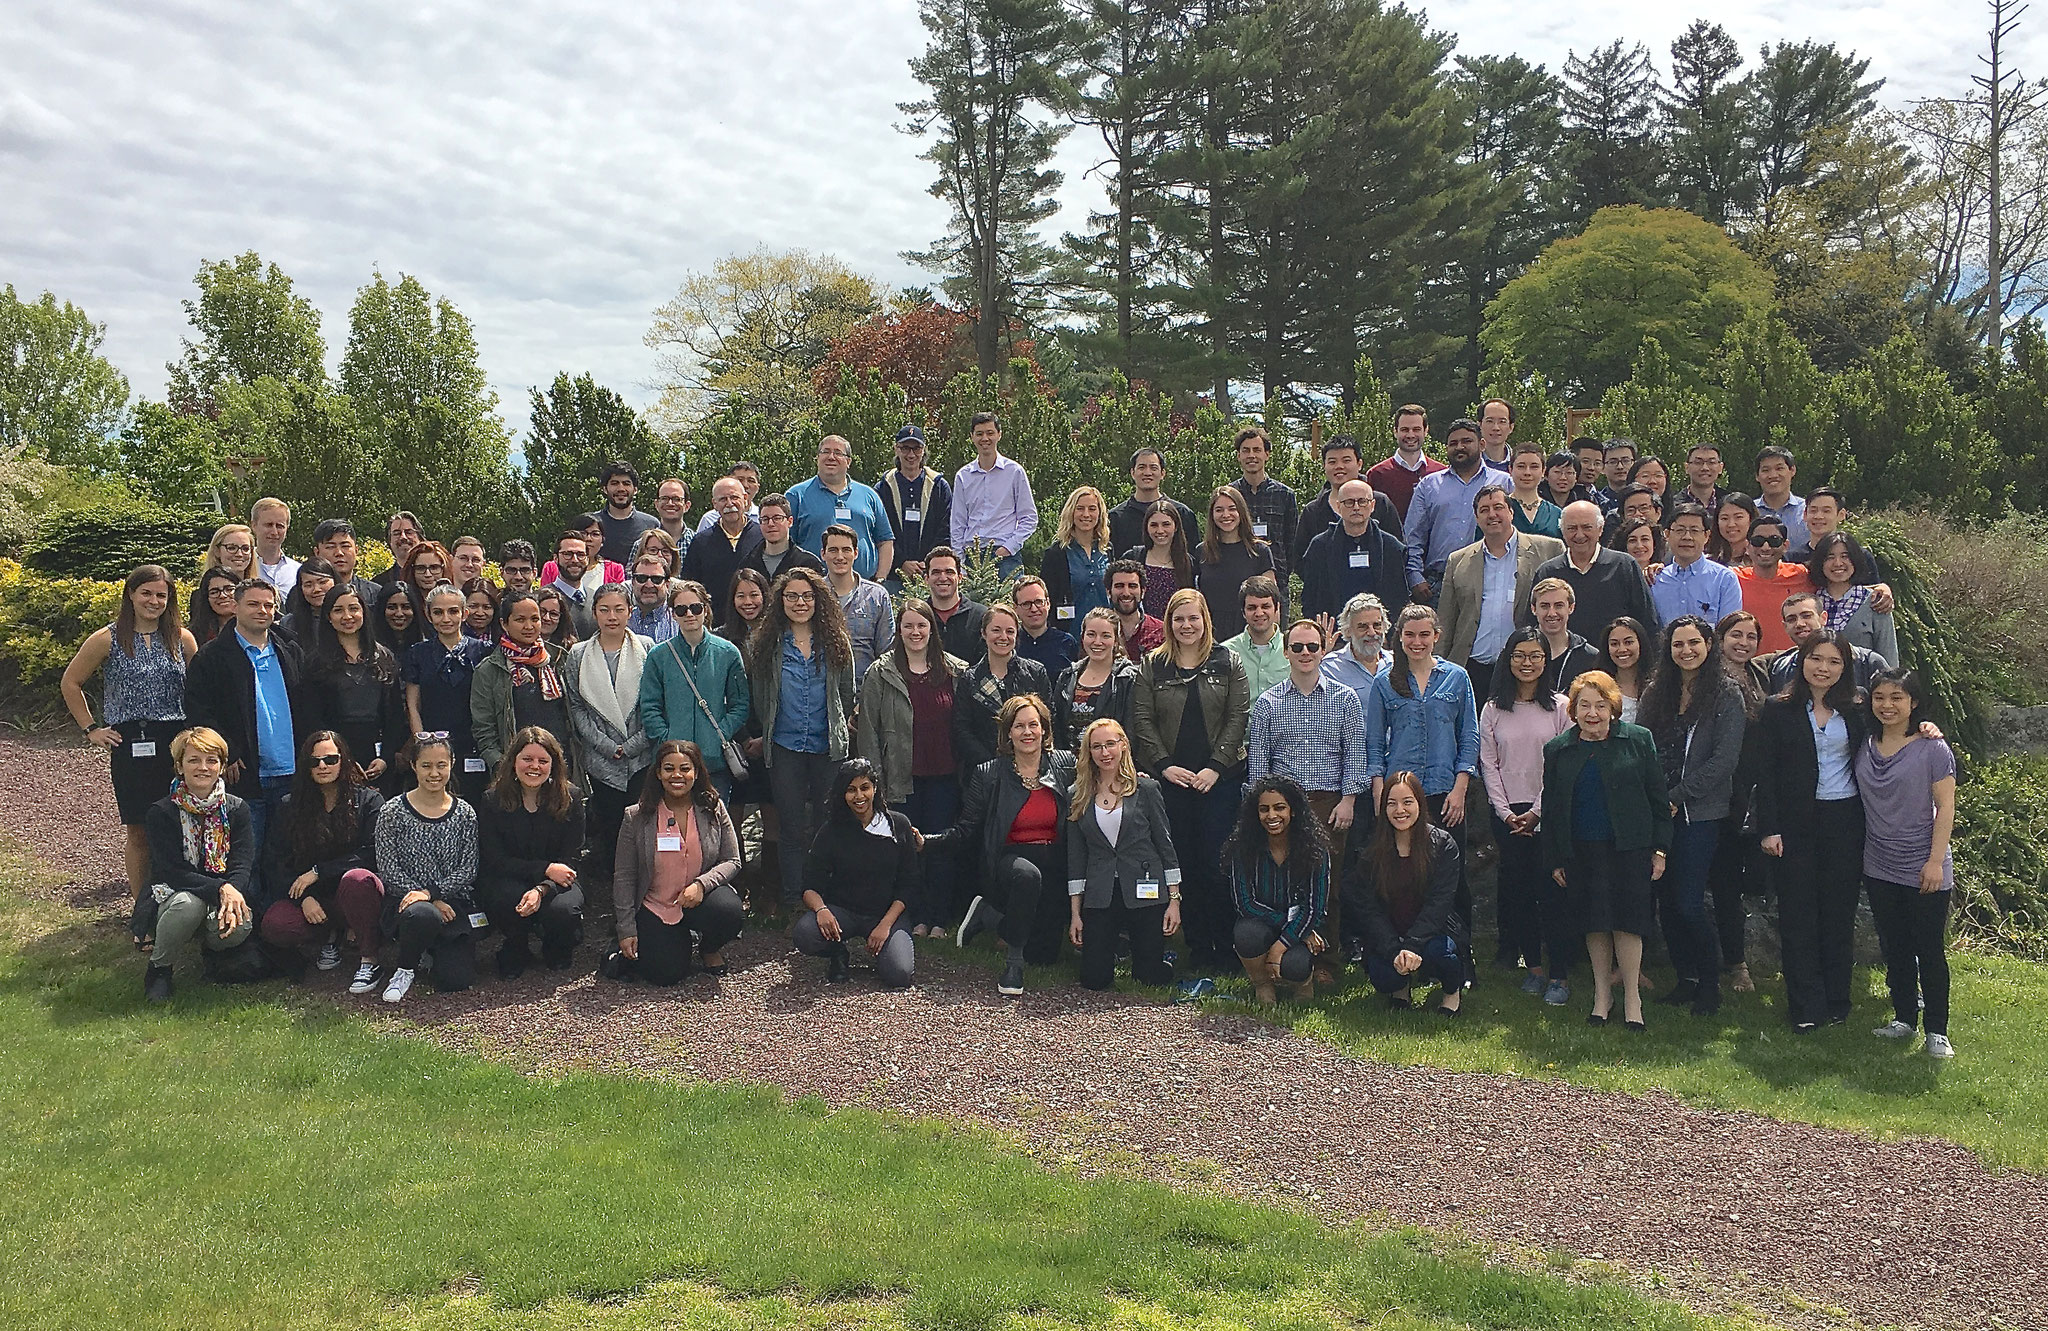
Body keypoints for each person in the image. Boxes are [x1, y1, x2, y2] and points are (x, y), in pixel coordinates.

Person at [1541, 671, 1671, 1030]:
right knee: (1594, 923)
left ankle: (1632, 997)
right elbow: (1551, 809)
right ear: (1574, 710)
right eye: (1585, 705)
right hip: (1581, 852)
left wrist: (1660, 849)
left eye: (1600, 705)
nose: (1593, 713)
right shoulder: (1558, 750)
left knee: (1628, 923)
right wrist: (1554, 859)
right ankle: (1602, 996)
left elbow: (1658, 799)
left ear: (1613, 708)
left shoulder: (1638, 740)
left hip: (1630, 849)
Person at [1129, 588, 1250, 973]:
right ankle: (1198, 948)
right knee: (1185, 865)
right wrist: (1163, 765)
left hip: (1220, 781)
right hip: (1173, 782)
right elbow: (1142, 719)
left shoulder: (1228, 661)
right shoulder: (1153, 665)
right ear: (1169, 623)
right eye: (1179, 619)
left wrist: (1216, 766)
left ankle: (1228, 949)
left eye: (1193, 618)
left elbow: (1238, 717)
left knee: (1218, 865)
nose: (1186, 626)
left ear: (1205, 620)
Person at [64, 565, 197, 906]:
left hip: (176, 742)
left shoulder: (181, 638)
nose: (154, 601)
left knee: (182, 823)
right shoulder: (107, 638)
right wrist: (91, 729)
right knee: (139, 829)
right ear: (131, 595)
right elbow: (71, 682)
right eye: (146, 593)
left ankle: (183, 900)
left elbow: (199, 687)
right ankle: (143, 910)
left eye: (161, 595)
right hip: (130, 741)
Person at [1755, 632, 1868, 1031]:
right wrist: (1769, 829)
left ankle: (1838, 1000)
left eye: (1834, 662)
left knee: (1838, 914)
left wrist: (1926, 728)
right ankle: (1805, 1006)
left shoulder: (1859, 709)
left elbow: (1896, 733)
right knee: (1797, 916)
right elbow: (1764, 774)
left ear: (1845, 668)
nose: (1824, 668)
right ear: (1801, 662)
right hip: (1795, 824)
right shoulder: (1777, 709)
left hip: (1845, 821)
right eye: (1816, 659)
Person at [1636, 615, 1747, 1016]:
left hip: (1700, 813)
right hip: (1658, 811)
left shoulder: (1726, 695)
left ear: (1708, 645)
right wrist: (1655, 798)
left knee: (1688, 902)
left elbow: (1724, 761)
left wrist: (1678, 796)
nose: (1686, 651)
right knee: (1666, 901)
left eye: (1694, 643)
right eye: (1678, 644)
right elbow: (1642, 747)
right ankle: (1687, 979)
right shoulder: (1655, 692)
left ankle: (1710, 983)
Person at [1246, 619, 1366, 977]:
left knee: (1327, 887)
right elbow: (1258, 764)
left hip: (1329, 804)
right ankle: (1279, 959)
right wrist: (1261, 810)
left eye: (1312, 647)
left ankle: (1325, 963)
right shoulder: (1268, 704)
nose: (1305, 654)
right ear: (1286, 652)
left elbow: (1355, 755)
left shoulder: (1346, 699)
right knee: (1283, 884)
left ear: (1322, 650)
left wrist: (1348, 801)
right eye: (1297, 647)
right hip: (1281, 807)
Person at [1365, 604, 1480, 971]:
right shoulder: (1385, 682)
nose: (1417, 642)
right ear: (1399, 637)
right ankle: (1400, 954)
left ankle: (1461, 958)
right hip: (1401, 798)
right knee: (1400, 876)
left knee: (1452, 878)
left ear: (1436, 636)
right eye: (1409, 634)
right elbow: (1373, 744)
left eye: (1424, 634)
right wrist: (1379, 792)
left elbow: (1469, 736)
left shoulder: (1457, 678)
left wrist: (1461, 787)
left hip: (1446, 793)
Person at [939, 694, 1077, 995]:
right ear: (1008, 733)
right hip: (1011, 861)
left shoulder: (1066, 765)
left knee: (1043, 956)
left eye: (1033, 725)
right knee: (1028, 877)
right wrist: (930, 842)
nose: (1027, 732)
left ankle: (989, 916)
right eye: (1019, 726)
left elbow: (1099, 781)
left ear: (1044, 730)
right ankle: (1013, 965)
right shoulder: (989, 773)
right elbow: (966, 829)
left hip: (1053, 861)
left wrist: (1133, 780)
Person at [1859, 669, 1958, 1059]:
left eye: (1897, 698)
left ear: (1913, 702)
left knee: (1929, 949)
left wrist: (1935, 862)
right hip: (1879, 863)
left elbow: (1946, 806)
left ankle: (1937, 1030)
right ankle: (1903, 1017)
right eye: (1880, 696)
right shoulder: (1864, 743)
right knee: (1895, 946)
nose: (1887, 705)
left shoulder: (1934, 749)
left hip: (1924, 864)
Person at [857, 599, 969, 936]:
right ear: (899, 630)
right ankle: (914, 916)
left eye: (922, 625)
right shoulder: (881, 672)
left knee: (940, 849)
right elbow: (869, 731)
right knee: (907, 852)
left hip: (946, 777)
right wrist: (873, 782)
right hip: (900, 778)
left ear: (932, 629)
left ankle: (939, 917)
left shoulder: (956, 672)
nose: (915, 632)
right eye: (908, 625)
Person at [750, 567, 857, 909]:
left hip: (828, 747)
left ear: (818, 600)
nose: (800, 602)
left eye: (807, 596)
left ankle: (827, 894)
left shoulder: (836, 641)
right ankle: (794, 897)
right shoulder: (767, 646)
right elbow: (760, 696)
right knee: (792, 827)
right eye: (792, 596)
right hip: (785, 748)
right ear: (781, 601)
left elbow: (846, 692)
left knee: (828, 825)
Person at [1479, 628, 1574, 998]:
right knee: (1519, 893)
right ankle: (1533, 968)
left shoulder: (1561, 707)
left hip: (1548, 814)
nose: (1527, 663)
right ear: (1508, 658)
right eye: (1520, 655)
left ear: (1545, 660)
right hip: (1507, 816)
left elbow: (1562, 766)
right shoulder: (1492, 709)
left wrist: (1536, 812)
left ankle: (1560, 975)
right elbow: (1489, 763)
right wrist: (1505, 813)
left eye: (1535, 656)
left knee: (1553, 894)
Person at [259, 731, 386, 993]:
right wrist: (302, 898)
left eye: (330, 759)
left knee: (358, 879)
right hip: (313, 900)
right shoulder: (289, 806)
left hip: (354, 893)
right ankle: (330, 937)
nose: (322, 766)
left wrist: (319, 872)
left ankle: (369, 958)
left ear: (344, 760)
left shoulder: (370, 800)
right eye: (314, 761)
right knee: (276, 924)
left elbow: (373, 853)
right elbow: (275, 861)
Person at [181, 578, 301, 854]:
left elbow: (308, 706)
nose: (263, 610)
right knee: (247, 853)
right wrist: (228, 751)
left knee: (286, 853)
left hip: (291, 770)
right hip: (244, 772)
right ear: (235, 607)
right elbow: (199, 711)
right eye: (253, 604)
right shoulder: (211, 657)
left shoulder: (291, 650)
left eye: (269, 605)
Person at [609, 740, 745, 984]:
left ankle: (708, 948)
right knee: (666, 975)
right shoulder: (636, 817)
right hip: (655, 904)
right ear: (658, 773)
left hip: (699, 900)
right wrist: (626, 929)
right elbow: (624, 876)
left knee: (730, 911)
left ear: (696, 772)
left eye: (685, 768)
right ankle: (659, 939)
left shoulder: (713, 808)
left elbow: (732, 860)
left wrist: (702, 885)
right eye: (669, 768)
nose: (677, 775)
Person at [138, 726, 258, 1001]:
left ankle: (212, 955)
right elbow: (172, 872)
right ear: (179, 766)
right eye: (193, 760)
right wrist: (221, 889)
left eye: (211, 760)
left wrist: (232, 891)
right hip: (174, 894)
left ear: (222, 766)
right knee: (188, 905)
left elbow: (242, 863)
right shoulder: (162, 812)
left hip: (220, 893)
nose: (203, 768)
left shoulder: (237, 809)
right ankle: (159, 969)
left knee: (239, 925)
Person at [1065, 718, 1179, 991]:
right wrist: (1075, 914)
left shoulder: (1147, 790)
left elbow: (1165, 846)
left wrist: (1174, 901)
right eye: (1097, 747)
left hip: (1145, 888)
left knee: (1149, 978)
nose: (1105, 753)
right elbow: (1076, 858)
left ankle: (1161, 960)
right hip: (1101, 892)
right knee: (1094, 980)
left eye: (1110, 745)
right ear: (1088, 752)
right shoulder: (1077, 795)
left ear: (1123, 745)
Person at [1349, 769, 1468, 1013]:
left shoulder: (1444, 845)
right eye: (1391, 803)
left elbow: (1439, 903)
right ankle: (1400, 988)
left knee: (1442, 956)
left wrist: (1413, 946)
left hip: (1434, 931)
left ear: (1419, 804)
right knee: (1384, 977)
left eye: (1407, 802)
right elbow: (1368, 909)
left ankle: (1451, 992)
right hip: (1389, 933)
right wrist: (1394, 949)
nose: (1399, 810)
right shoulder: (1371, 852)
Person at [374, 734, 481, 1003]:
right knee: (423, 915)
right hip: (407, 905)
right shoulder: (391, 812)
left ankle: (431, 951)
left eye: (441, 765)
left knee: (457, 980)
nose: (434, 773)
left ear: (452, 764)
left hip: (452, 904)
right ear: (414, 766)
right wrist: (427, 898)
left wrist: (434, 894)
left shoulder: (465, 813)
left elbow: (468, 869)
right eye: (426, 766)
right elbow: (388, 870)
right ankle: (405, 968)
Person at [795, 758, 920, 987]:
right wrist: (821, 910)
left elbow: (909, 884)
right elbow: (809, 884)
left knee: (899, 974)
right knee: (805, 934)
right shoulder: (831, 830)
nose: (859, 796)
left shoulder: (898, 825)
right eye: (851, 790)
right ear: (842, 794)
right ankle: (837, 951)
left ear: (875, 788)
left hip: (886, 913)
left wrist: (884, 926)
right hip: (843, 912)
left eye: (865, 788)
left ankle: (885, 949)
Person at [1439, 484, 1564, 701]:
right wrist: (1439, 665)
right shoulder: (1457, 560)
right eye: (1484, 510)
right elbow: (1446, 619)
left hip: (1526, 668)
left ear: (1511, 512)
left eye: (1498, 507)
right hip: (1472, 667)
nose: (1492, 514)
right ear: (1476, 518)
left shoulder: (1549, 550)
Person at [477, 726, 585, 976]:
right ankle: (516, 945)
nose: (534, 766)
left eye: (542, 760)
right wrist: (543, 869)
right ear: (513, 761)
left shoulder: (572, 797)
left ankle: (557, 945)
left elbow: (573, 856)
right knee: (506, 898)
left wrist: (542, 887)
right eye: (527, 759)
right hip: (510, 877)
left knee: (564, 910)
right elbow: (494, 859)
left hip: (560, 879)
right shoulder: (492, 800)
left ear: (553, 765)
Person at [638, 577, 751, 804]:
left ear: (706, 609)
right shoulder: (658, 656)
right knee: (672, 830)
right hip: (672, 765)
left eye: (695, 607)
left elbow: (740, 704)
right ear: (672, 614)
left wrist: (720, 733)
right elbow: (649, 706)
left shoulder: (727, 653)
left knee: (713, 828)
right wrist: (667, 738)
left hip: (714, 762)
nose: (689, 614)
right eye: (681, 609)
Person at [564, 584, 652, 874]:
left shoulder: (647, 647)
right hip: (601, 759)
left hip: (641, 756)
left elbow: (654, 704)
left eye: (619, 609)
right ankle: (617, 882)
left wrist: (632, 745)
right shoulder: (578, 654)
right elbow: (576, 705)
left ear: (630, 611)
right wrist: (605, 745)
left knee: (643, 821)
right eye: (604, 609)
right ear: (594, 613)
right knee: (610, 822)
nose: (612, 616)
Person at [1226, 776, 1331, 1004]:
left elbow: (1314, 908)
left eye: (1279, 808)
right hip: (1261, 923)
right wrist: (1290, 928)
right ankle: (1262, 984)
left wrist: (1279, 947)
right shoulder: (1242, 847)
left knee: (1295, 966)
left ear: (1293, 811)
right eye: (1264, 809)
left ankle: (1303, 983)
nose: (1271, 816)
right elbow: (1244, 902)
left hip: (1300, 924)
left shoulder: (1315, 850)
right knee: (1246, 935)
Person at [1711, 610, 1769, 994]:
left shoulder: (1761, 676)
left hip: (1756, 795)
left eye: (1751, 636)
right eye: (1736, 634)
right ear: (1720, 638)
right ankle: (1736, 964)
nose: (1743, 642)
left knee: (1758, 880)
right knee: (1725, 885)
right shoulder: (1708, 681)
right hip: (1719, 797)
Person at [301, 586, 407, 793]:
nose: (347, 616)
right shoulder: (315, 662)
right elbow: (311, 718)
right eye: (338, 610)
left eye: (353, 608)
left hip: (377, 760)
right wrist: (343, 762)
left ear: (364, 613)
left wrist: (385, 758)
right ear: (328, 617)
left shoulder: (384, 657)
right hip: (333, 759)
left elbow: (395, 716)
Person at [404, 584, 494, 801]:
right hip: (432, 744)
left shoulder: (485, 651)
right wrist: (422, 745)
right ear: (428, 615)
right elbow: (413, 705)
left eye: (453, 611)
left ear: (465, 613)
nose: (446, 618)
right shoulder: (417, 653)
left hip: (474, 745)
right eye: (438, 612)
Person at [470, 590, 573, 779]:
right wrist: (503, 766)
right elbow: (484, 730)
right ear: (504, 624)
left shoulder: (559, 659)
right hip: (515, 771)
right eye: (520, 619)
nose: (529, 626)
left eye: (535, 619)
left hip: (560, 765)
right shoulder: (489, 670)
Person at [1405, 418, 1507, 605]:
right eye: (1453, 443)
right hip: (1437, 585)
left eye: (1467, 441)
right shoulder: (1429, 485)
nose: (1460, 447)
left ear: (1481, 444)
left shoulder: (1504, 482)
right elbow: (1413, 537)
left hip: (1490, 579)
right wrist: (1415, 577)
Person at [1531, 500, 1656, 639]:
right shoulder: (1548, 572)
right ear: (1562, 531)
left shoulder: (1623, 566)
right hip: (1563, 659)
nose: (1579, 535)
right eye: (1572, 528)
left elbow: (1647, 621)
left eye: (1586, 527)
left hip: (1616, 657)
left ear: (1600, 529)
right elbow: (1532, 625)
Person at [952, 603, 1055, 771]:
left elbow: (1048, 721)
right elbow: (961, 729)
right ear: (983, 633)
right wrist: (991, 764)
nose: (1003, 637)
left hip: (1032, 767)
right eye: (996, 630)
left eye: (1010, 631)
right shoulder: (969, 679)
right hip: (984, 772)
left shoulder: (1035, 673)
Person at [1298, 478, 1407, 622]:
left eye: (1362, 501)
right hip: (1333, 630)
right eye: (1349, 502)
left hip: (1379, 632)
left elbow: (1400, 596)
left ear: (1372, 505)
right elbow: (1310, 597)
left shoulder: (1391, 547)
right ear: (1338, 506)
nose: (1356, 507)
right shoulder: (1319, 546)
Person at [788, 436, 893, 580]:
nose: (831, 457)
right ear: (817, 458)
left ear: (848, 461)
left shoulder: (869, 495)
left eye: (838, 452)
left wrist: (880, 578)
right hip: (811, 589)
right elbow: (786, 543)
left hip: (864, 587)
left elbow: (885, 540)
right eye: (826, 452)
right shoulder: (796, 495)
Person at [951, 411, 1036, 578]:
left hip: (1005, 557)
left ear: (999, 435)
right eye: (979, 434)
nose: (985, 438)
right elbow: (957, 523)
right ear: (972, 437)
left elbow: (1030, 518)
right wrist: (959, 561)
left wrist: (1009, 547)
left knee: (1011, 604)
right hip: (971, 558)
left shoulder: (1014, 472)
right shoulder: (963, 476)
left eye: (990, 433)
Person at [1300, 433, 1403, 571]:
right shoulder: (1313, 511)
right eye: (1332, 462)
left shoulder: (1381, 503)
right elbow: (1302, 560)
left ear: (1359, 464)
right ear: (1324, 465)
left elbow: (1397, 551)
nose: (1339, 466)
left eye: (1346, 460)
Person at [681, 476, 764, 626]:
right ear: (714, 504)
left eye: (734, 497)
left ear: (745, 499)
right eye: (723, 499)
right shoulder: (701, 542)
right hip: (715, 626)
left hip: (759, 626)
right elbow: (691, 586)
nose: (729, 504)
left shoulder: (762, 537)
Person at [1195, 485, 1274, 641]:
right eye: (1219, 510)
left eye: (1232, 509)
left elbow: (1271, 600)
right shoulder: (1202, 551)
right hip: (1210, 633)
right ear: (1212, 515)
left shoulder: (1260, 551)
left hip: (1249, 632)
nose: (1226, 515)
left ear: (1241, 512)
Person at [1768, 592, 1891, 693]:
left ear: (1823, 618)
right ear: (1784, 626)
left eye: (1806, 616)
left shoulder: (1867, 663)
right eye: (1791, 619)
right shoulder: (1781, 669)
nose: (1800, 624)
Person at [1054, 607, 1139, 751]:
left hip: (1110, 765)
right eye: (1091, 634)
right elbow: (1057, 728)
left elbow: (1133, 731)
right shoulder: (1067, 677)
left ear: (1116, 640)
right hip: (1070, 766)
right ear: (1082, 637)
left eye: (1105, 636)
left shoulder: (1128, 679)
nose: (1097, 642)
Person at [876, 425, 952, 587]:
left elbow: (946, 529)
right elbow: (880, 532)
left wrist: (928, 562)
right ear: (896, 449)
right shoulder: (883, 487)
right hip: (893, 575)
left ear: (924, 450)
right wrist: (902, 563)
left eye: (916, 448)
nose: (911, 454)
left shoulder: (939, 486)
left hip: (931, 575)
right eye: (905, 448)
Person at [1811, 533, 1899, 666]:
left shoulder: (1876, 602)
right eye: (1830, 557)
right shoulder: (1811, 603)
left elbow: (1889, 658)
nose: (1838, 563)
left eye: (1845, 556)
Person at [1651, 504, 1743, 627]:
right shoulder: (1654, 580)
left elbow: (1728, 631)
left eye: (1694, 531)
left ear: (1706, 536)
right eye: (1680, 530)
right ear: (1667, 534)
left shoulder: (1724, 579)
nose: (1687, 537)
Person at [1232, 426, 1299, 596]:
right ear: (1239, 455)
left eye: (1257, 450)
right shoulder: (1230, 495)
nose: (1251, 455)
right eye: (1246, 450)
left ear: (1267, 454)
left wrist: (1282, 572)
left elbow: (1291, 542)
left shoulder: (1284, 494)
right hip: (1238, 580)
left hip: (1276, 584)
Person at [822, 524, 894, 676]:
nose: (840, 556)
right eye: (833, 550)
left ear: (855, 553)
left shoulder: (877, 596)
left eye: (846, 550)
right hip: (823, 689)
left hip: (867, 689)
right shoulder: (813, 595)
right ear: (823, 554)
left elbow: (887, 652)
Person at [1039, 485, 1113, 630]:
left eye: (1092, 509)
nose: (1086, 514)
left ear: (1100, 513)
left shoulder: (1107, 550)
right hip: (1069, 634)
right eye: (1080, 508)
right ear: (1071, 512)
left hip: (1105, 633)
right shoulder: (1056, 554)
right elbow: (1048, 601)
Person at [1735, 514, 1810, 654]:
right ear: (1748, 546)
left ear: (1785, 545)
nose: (1765, 547)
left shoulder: (1802, 575)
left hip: (1791, 663)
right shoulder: (1733, 579)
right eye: (1758, 541)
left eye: (1774, 541)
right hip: (1749, 663)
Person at [1108, 447, 1199, 553]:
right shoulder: (1115, 517)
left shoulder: (1182, 513)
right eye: (1142, 467)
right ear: (1132, 473)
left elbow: (1193, 559)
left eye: (1153, 468)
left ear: (1163, 473)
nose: (1147, 473)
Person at [1365, 405, 1445, 522]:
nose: (1411, 435)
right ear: (1395, 432)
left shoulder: (1441, 472)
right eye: (1405, 430)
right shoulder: (1377, 474)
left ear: (1426, 431)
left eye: (1416, 429)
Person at [1526, 577, 1601, 696]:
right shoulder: (1517, 653)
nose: (1552, 613)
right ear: (1533, 609)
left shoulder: (1590, 656)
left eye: (1558, 606)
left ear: (1571, 608)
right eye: (1545, 606)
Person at [1125, 498, 1195, 619]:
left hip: (1178, 632)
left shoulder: (1189, 563)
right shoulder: (1133, 558)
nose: (1160, 530)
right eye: (1154, 525)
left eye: (1166, 524)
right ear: (1146, 527)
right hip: (1141, 632)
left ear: (1176, 526)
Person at [918, 545, 988, 660]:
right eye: (936, 572)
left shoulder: (981, 616)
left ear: (960, 577)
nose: (943, 577)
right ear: (926, 579)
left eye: (949, 572)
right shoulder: (917, 617)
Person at [1222, 575, 1288, 697]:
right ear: (1243, 612)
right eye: (1252, 608)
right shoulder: (1226, 652)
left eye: (1265, 606)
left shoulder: (1294, 649)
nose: (1259, 613)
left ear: (1277, 608)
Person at [745, 492, 827, 584]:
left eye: (777, 518)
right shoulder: (748, 563)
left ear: (790, 521)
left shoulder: (808, 564)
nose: (771, 524)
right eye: (765, 519)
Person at [1319, 593, 1392, 695]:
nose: (1372, 633)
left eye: (1377, 625)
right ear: (1348, 630)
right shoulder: (1330, 667)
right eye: (1363, 626)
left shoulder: (1396, 663)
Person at [591, 460, 660, 566]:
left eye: (626, 483)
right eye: (614, 483)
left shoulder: (651, 525)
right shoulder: (591, 524)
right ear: (605, 489)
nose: (621, 488)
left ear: (635, 489)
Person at [310, 518, 381, 617]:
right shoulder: (307, 594)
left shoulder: (375, 594)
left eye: (345, 546)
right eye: (331, 547)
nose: (339, 553)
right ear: (317, 553)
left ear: (356, 551)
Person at [1012, 575, 1077, 677]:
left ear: (1048, 603)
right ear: (1015, 608)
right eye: (1026, 604)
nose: (1033, 609)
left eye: (1039, 602)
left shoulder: (1066, 643)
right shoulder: (1011, 644)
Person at [543, 531, 600, 640]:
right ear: (555, 558)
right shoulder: (541, 599)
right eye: (568, 554)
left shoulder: (596, 599)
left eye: (581, 555)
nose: (575, 560)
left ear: (588, 559)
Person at [193, 524, 256, 623]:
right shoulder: (199, 596)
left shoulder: (262, 591)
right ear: (217, 551)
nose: (239, 554)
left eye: (245, 549)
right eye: (231, 548)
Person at [1753, 445, 1808, 554]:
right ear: (1757, 476)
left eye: (1779, 468)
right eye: (1765, 470)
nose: (1773, 475)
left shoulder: (1808, 511)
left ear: (1792, 470)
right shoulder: (1749, 511)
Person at [1106, 559, 1165, 659]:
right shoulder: (1098, 631)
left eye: (1132, 586)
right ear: (1108, 592)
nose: (1126, 593)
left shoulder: (1160, 631)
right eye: (1119, 586)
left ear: (1143, 591)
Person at [278, 556, 339, 649]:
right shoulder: (289, 624)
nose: (316, 589)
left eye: (322, 582)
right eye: (308, 585)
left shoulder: (350, 617)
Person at [1505, 442, 1564, 538]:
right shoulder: (1499, 510)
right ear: (1510, 470)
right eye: (1521, 466)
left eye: (1534, 467)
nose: (1527, 472)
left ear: (1543, 471)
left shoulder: (1555, 514)